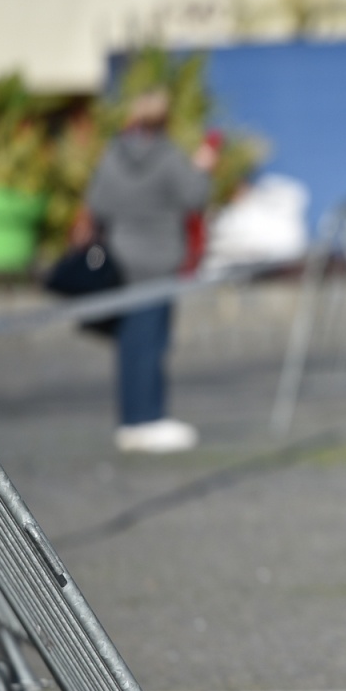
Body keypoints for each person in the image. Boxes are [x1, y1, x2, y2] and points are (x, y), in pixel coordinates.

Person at [85, 89, 215, 453]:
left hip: (122, 258)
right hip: (159, 261)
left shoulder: (112, 155)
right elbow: (194, 199)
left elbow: (97, 203)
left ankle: (131, 420)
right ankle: (149, 420)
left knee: (129, 344)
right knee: (152, 344)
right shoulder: (170, 156)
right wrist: (203, 169)